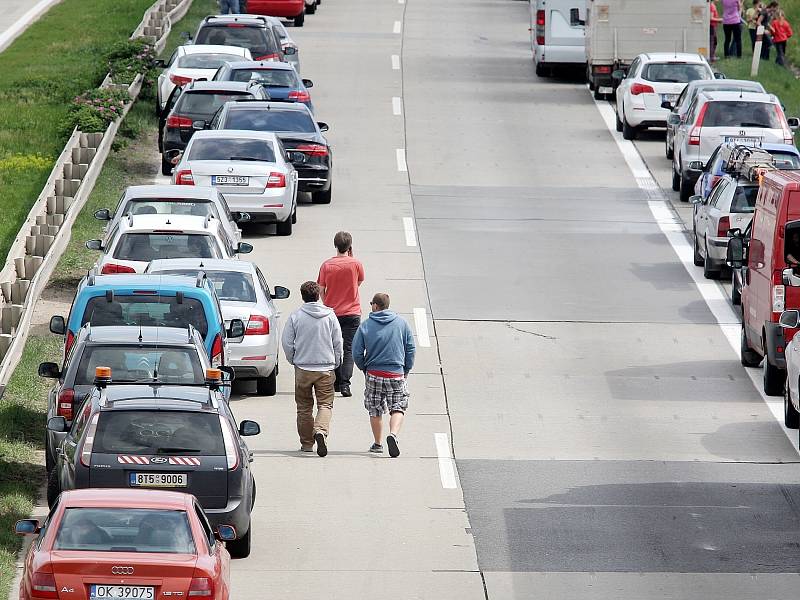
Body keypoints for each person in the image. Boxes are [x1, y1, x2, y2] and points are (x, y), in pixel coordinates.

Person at [281, 281, 343, 457]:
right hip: (325, 367)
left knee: (304, 407)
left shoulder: (296, 316)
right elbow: (338, 341)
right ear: (318, 295)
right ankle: (321, 431)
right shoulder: (330, 315)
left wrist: (293, 358)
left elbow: (286, 342)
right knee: (325, 404)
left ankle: (307, 444)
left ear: (302, 296)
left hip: (303, 367)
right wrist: (336, 361)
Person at [352, 293, 416, 458]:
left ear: (375, 306)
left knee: (375, 409)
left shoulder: (365, 326)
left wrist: (364, 368)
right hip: (396, 373)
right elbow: (410, 349)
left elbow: (356, 352)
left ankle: (378, 443)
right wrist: (406, 369)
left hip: (374, 373)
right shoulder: (402, 324)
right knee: (398, 406)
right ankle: (393, 434)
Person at [317, 231, 365, 398]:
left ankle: (336, 381)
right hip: (352, 312)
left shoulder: (326, 265)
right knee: (348, 348)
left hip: (332, 312)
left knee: (333, 347)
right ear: (349, 246)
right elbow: (358, 282)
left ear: (335, 245)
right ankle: (345, 384)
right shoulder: (356, 264)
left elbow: (321, 288)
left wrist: (326, 302)